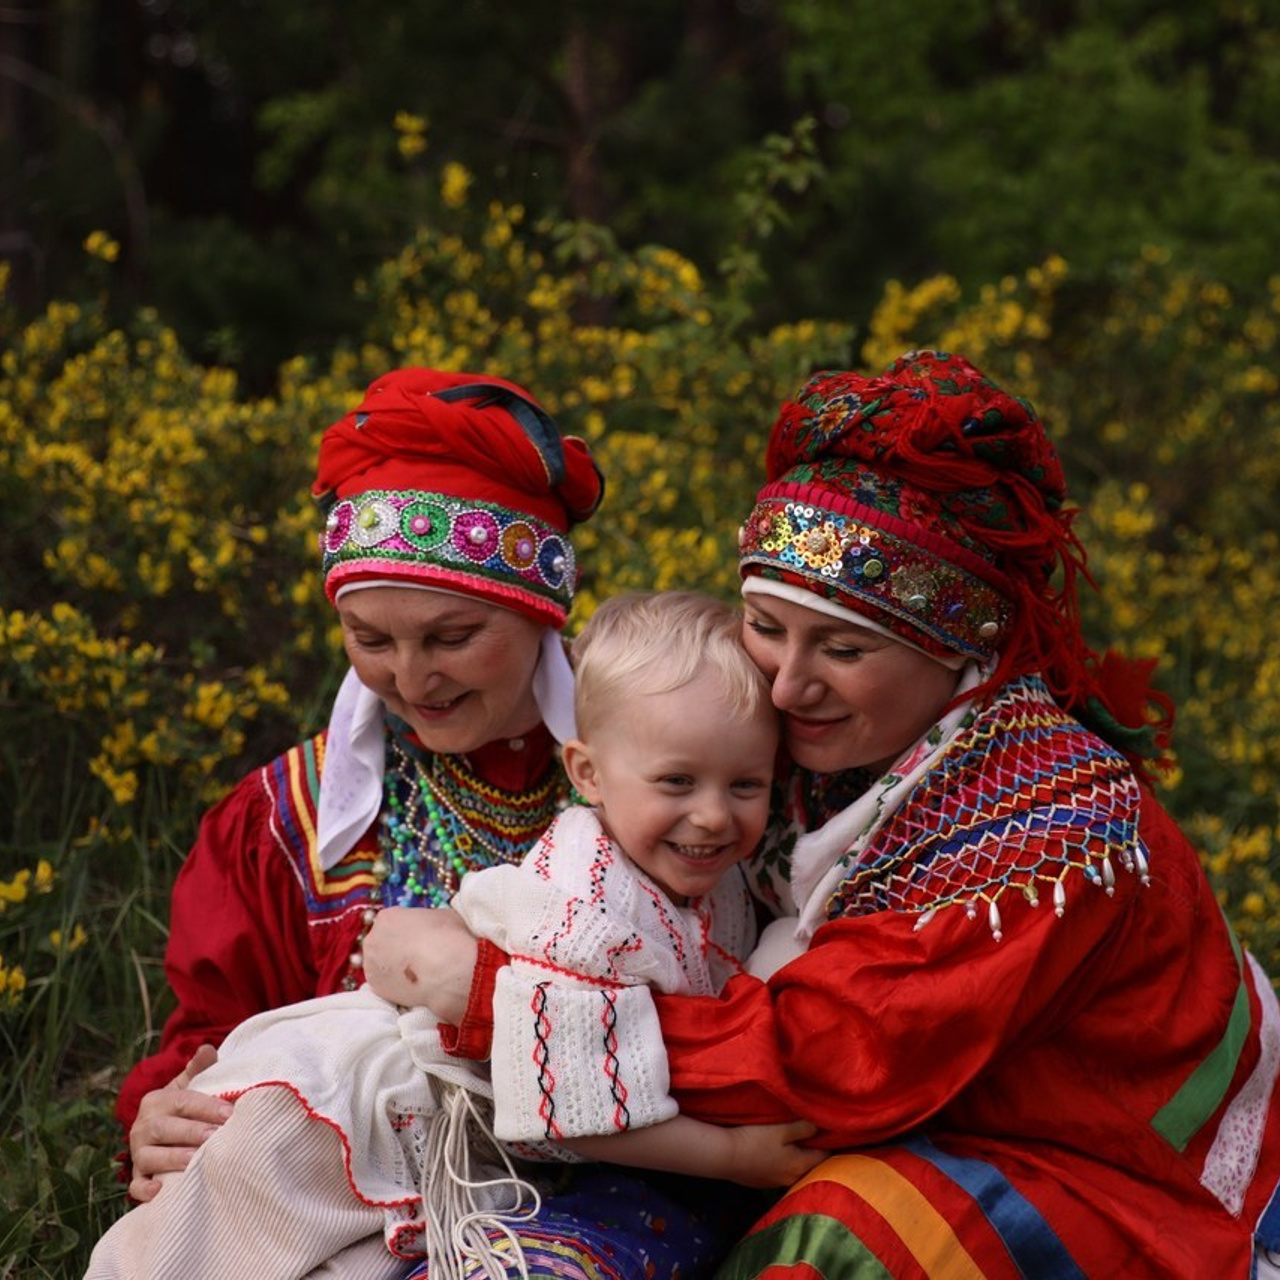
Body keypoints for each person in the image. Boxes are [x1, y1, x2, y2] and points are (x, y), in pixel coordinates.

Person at [368, 350, 1280, 1277]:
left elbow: (833, 1061)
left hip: (1123, 1180)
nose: (787, 684)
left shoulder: (1045, 827)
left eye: (842, 649)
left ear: (954, 648)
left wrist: (490, 1000)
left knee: (840, 1239)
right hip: (935, 1125)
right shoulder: (823, 748)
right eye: (766, 627)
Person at [113, 371, 778, 1278]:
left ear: (540, 613)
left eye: (451, 637)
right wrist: (162, 1113)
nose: (412, 677)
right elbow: (213, 1030)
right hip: (354, 1199)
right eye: (370, 639)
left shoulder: (682, 761)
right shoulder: (284, 820)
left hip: (630, 1195)